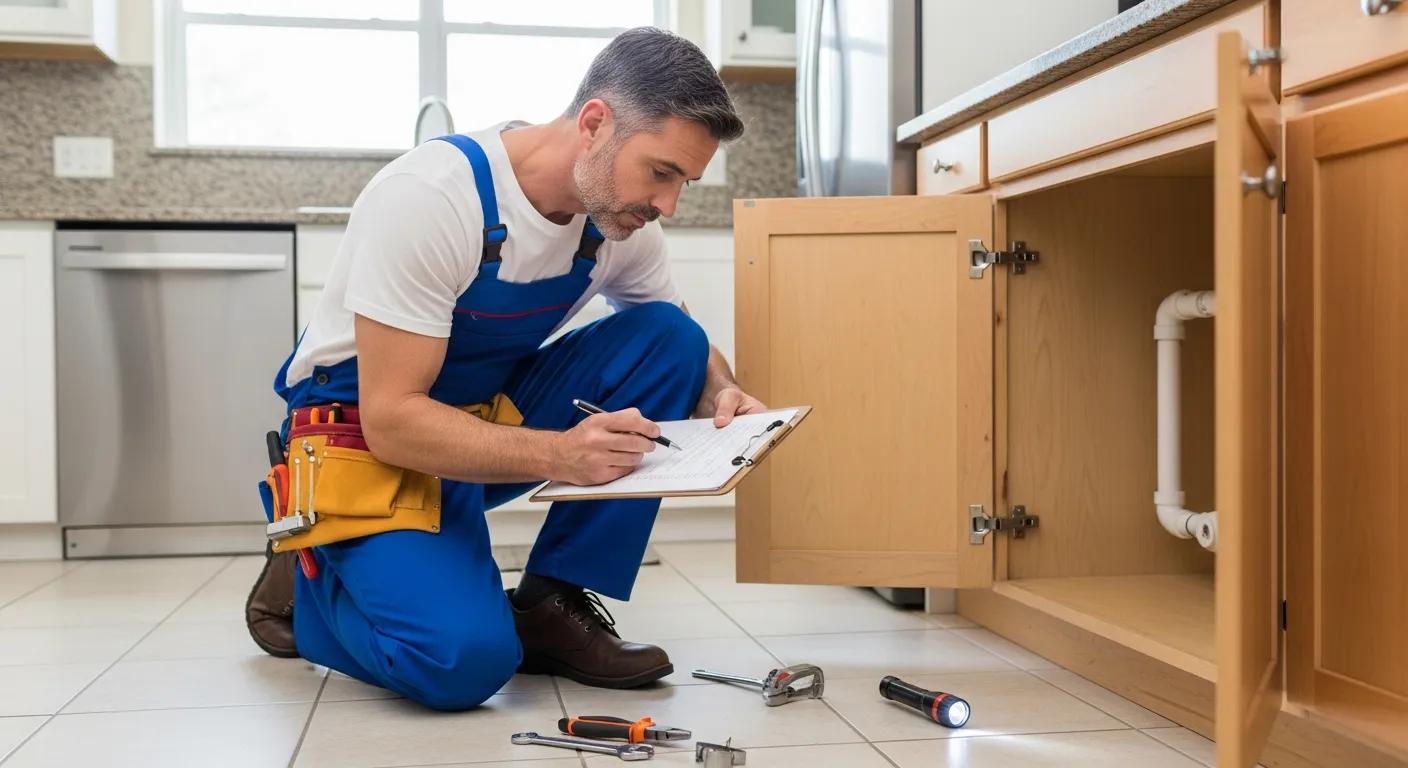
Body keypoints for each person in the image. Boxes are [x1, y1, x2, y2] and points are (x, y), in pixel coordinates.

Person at [243, 27, 764, 711]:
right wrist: (562, 454)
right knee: (461, 663)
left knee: (672, 337)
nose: (668, 204)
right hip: (367, 444)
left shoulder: (614, 224)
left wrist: (721, 392)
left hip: (474, 428)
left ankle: (550, 602)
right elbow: (394, 421)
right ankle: (311, 578)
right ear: (594, 123)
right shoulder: (432, 197)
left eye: (683, 182)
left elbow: (685, 344)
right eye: (661, 172)